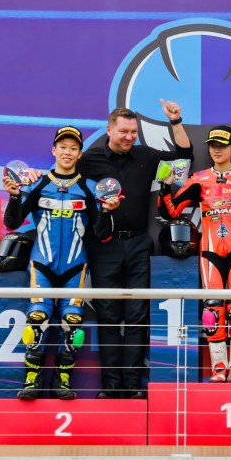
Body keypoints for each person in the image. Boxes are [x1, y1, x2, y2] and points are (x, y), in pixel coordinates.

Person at [78, 100, 193, 399]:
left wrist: (175, 121)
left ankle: (132, 384)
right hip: (103, 245)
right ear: (109, 130)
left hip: (139, 243)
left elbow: (183, 158)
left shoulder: (146, 156)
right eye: (124, 132)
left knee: (137, 315)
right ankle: (110, 385)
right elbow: (64, 179)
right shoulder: (89, 160)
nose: (129, 137)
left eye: (133, 132)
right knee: (107, 315)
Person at [2, 126, 120, 400]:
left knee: (72, 322)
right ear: (54, 150)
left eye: (73, 148)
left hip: (75, 267)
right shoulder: (38, 184)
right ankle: (31, 380)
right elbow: (12, 223)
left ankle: (62, 381)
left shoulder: (90, 188)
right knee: (37, 318)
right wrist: (15, 196)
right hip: (41, 264)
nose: (67, 152)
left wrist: (107, 211)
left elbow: (103, 234)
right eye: (63, 147)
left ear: (79, 153)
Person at [157, 125, 231, 383]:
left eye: (222, 146)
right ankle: (218, 368)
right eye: (213, 145)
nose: (216, 150)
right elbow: (170, 212)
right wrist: (164, 187)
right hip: (209, 249)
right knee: (211, 308)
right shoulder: (199, 179)